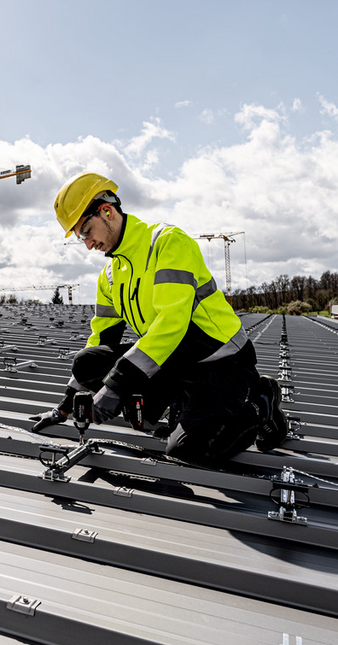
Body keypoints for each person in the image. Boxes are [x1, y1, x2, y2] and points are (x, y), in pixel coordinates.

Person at [30, 172, 287, 468]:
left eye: (87, 231)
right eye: (80, 237)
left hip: (221, 363)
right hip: (174, 362)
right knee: (86, 362)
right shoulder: (110, 274)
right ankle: (181, 399)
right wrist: (65, 405)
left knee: (187, 451)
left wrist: (115, 388)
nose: (87, 244)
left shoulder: (166, 243)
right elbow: (103, 340)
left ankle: (261, 402)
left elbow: (171, 325)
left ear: (107, 211)